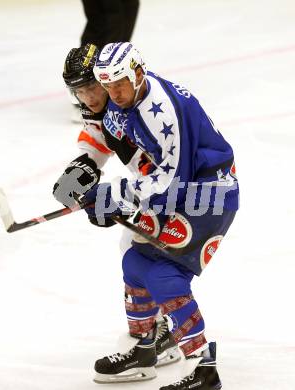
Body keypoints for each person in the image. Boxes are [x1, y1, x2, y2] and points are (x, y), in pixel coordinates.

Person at [78, 42, 239, 389]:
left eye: (119, 83)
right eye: (107, 86)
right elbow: (137, 159)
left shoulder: (162, 111)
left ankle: (204, 369)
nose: (113, 93)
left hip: (209, 194)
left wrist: (115, 196)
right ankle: (145, 348)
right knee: (135, 263)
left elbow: (172, 181)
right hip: (184, 191)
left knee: (165, 274)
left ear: (137, 73)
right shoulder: (125, 101)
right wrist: (89, 176)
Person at [53, 43, 182, 368]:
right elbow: (99, 139)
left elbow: (165, 163)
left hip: (176, 185)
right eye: (79, 91)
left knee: (143, 255)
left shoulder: (134, 106)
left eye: (93, 87)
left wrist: (126, 197)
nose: (89, 98)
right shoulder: (106, 106)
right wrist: (83, 166)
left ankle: (149, 343)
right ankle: (161, 335)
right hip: (155, 185)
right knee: (137, 252)